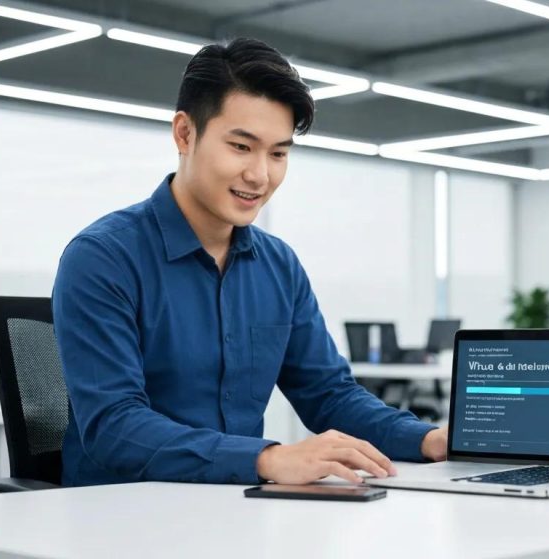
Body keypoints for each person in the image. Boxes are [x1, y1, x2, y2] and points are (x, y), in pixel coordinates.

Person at [52, 38, 447, 487]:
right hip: (117, 517)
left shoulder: (278, 266)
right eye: (241, 147)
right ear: (185, 133)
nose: (260, 175)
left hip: (235, 511)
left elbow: (328, 395)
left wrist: (428, 439)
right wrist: (267, 459)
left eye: (278, 153)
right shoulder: (103, 258)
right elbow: (113, 427)